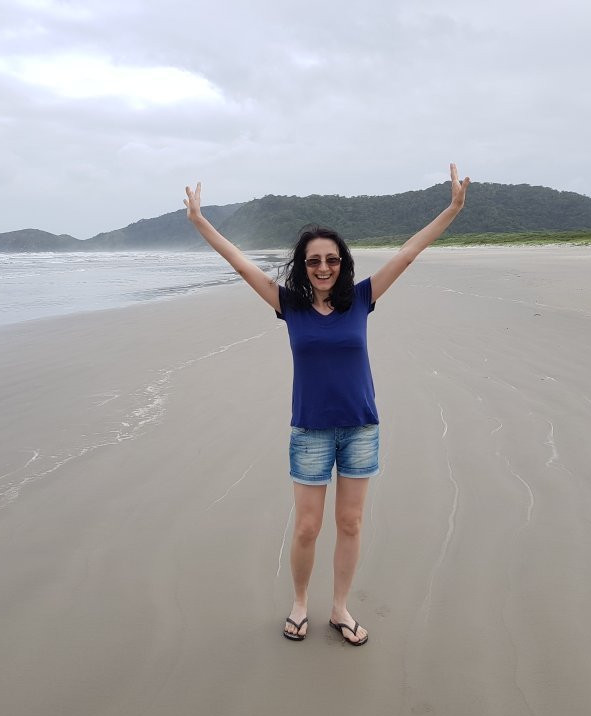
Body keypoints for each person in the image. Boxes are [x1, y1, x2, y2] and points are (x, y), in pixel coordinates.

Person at [183, 164, 470, 646]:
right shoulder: (289, 305)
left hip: (360, 427)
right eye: (314, 260)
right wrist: (199, 222)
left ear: (343, 263)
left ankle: (339, 608)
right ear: (303, 264)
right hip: (311, 431)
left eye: (331, 260)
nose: (322, 268)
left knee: (351, 523)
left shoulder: (362, 299)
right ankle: (299, 603)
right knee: (308, 527)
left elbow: (410, 251)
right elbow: (239, 262)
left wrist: (453, 208)